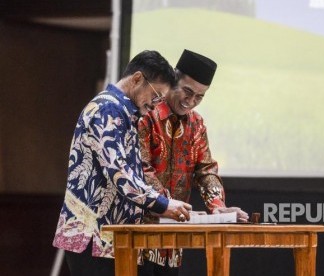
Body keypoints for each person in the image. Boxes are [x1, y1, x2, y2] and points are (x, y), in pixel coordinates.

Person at [52, 50, 193, 276]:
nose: (156, 105)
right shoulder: (107, 109)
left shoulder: (125, 113)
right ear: (137, 78)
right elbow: (121, 175)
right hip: (92, 237)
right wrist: (163, 204)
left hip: (110, 240)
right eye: (156, 96)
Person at [137, 49, 249, 275]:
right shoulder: (146, 114)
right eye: (187, 92)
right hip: (139, 232)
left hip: (174, 237)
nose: (191, 101)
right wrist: (168, 204)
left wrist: (218, 207)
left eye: (199, 97)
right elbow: (141, 169)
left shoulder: (196, 124)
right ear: (173, 80)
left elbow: (206, 169)